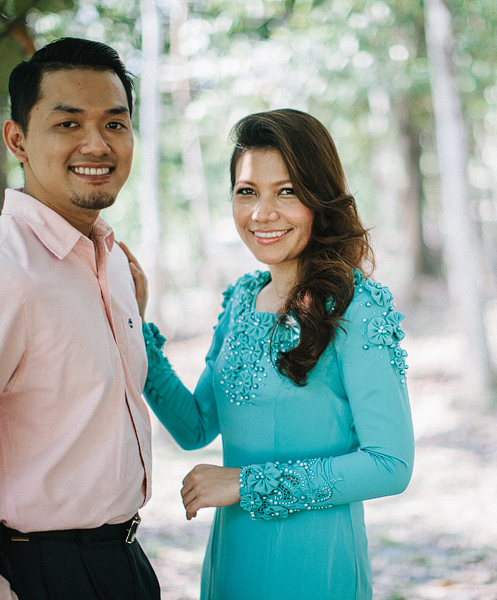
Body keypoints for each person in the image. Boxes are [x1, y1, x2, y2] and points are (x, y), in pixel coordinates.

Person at [0, 38, 160, 600]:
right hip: (41, 572)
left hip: (125, 563)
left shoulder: (113, 262)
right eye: (68, 124)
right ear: (17, 139)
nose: (98, 144)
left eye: (115, 124)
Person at [123, 108, 414, 599]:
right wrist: (136, 325)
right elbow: (195, 428)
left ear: (320, 198)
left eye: (287, 191)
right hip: (233, 560)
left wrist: (246, 485)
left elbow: (391, 464)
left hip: (315, 565)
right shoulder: (241, 300)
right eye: (247, 192)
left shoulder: (356, 307)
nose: (262, 213)